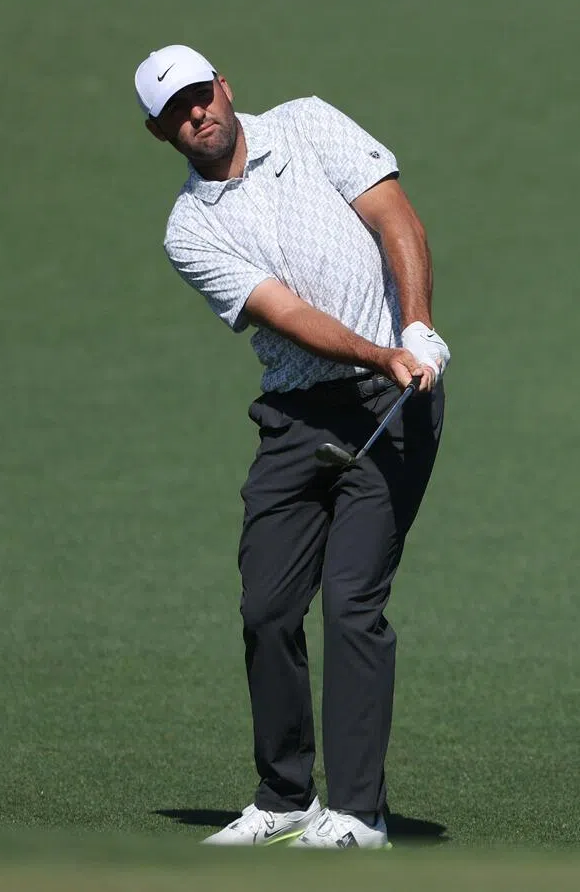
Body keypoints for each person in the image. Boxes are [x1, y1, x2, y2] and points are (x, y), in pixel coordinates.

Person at [134, 44, 449, 849]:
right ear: (159, 132)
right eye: (174, 112)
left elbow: (397, 219)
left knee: (351, 603)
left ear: (224, 86)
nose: (195, 114)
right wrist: (378, 349)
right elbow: (288, 316)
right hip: (296, 421)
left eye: (199, 94)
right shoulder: (189, 230)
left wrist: (414, 329)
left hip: (391, 407)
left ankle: (360, 813)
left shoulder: (308, 124)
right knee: (267, 608)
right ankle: (285, 796)